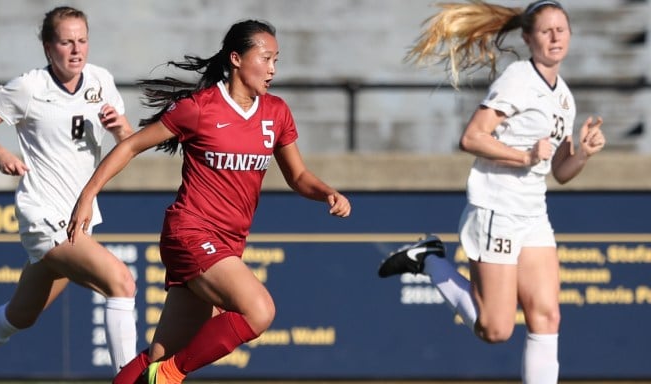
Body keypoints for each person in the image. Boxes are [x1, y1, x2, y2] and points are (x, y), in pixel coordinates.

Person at [67, 19, 351, 384]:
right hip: (190, 232)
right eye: (265, 59)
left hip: (229, 243)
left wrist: (326, 192)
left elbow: (298, 176)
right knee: (258, 311)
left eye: (276, 60)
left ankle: (159, 371)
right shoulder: (200, 107)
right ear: (236, 59)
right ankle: (168, 375)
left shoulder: (276, 112)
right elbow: (131, 144)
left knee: (158, 355)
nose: (273, 69)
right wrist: (88, 195)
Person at [378, 1, 605, 383]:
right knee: (495, 330)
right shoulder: (518, 78)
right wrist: (524, 155)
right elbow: (471, 137)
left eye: (561, 30)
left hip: (533, 213)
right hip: (496, 209)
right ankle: (429, 259)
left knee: (547, 316)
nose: (554, 37)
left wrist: (582, 153)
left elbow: (561, 173)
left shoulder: (564, 97)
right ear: (528, 37)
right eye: (546, 30)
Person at [0, 6, 137, 383]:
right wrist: (0, 152)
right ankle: (128, 378)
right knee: (120, 282)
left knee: (22, 315)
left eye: (83, 40)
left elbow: (127, 145)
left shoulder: (102, 81)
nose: (76, 50)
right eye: (66, 42)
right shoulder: (29, 87)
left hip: (78, 218)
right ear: (48, 47)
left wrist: (122, 130)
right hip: (42, 213)